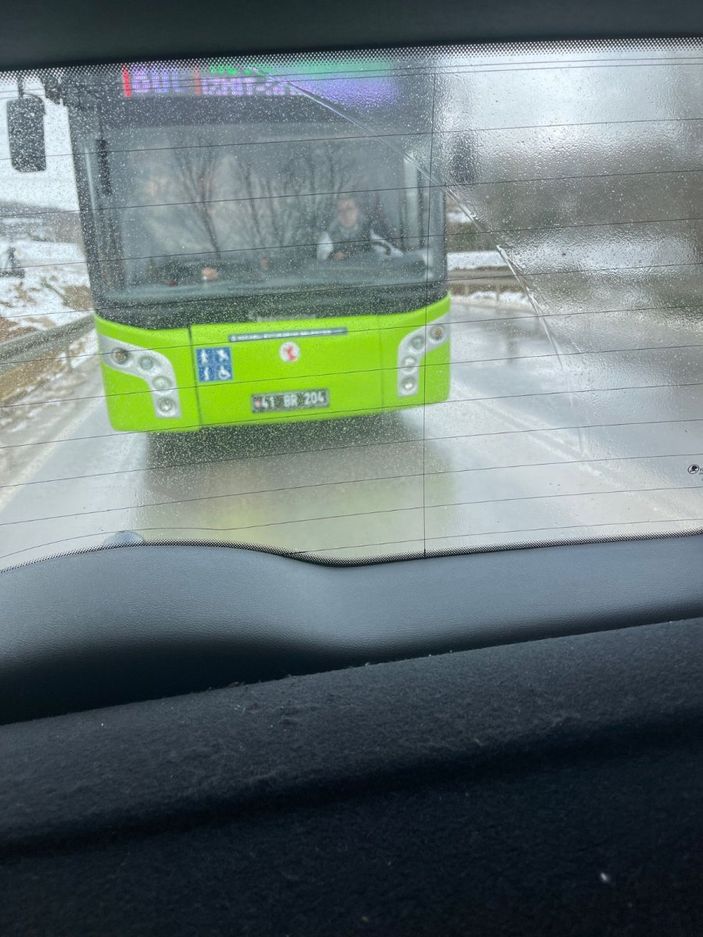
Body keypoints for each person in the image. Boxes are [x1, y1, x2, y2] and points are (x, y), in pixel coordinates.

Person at [317, 194, 402, 262]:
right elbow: (322, 257)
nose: (345, 214)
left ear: (357, 210)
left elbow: (395, 255)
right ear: (337, 214)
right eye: (340, 210)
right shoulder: (328, 236)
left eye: (349, 209)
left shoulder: (368, 234)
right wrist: (332, 256)